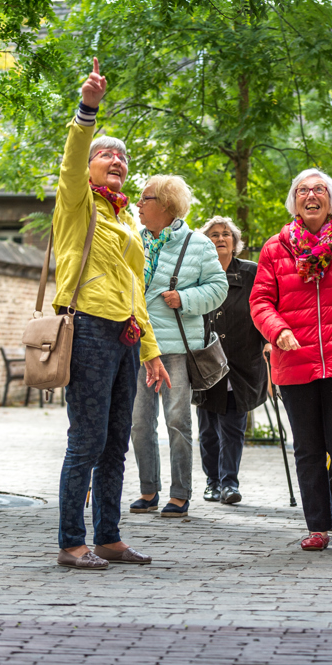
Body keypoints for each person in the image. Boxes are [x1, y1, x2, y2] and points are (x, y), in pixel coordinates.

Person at [54, 58, 171, 570]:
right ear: (89, 167)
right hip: (88, 329)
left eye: (121, 158)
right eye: (105, 155)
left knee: (116, 441)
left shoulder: (125, 218)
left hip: (124, 334)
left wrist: (151, 351)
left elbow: (135, 290)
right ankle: (70, 543)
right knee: (87, 438)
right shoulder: (76, 202)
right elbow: (72, 155)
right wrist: (88, 111)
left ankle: (108, 537)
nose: (114, 160)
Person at [250, 169, 332, 552]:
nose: (311, 195)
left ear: (331, 201)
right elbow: (260, 301)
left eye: (320, 190)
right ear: (294, 201)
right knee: (307, 447)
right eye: (303, 190)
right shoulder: (275, 248)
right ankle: (317, 526)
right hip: (294, 362)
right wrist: (277, 331)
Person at [129, 177, 228, 518]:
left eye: (145, 198)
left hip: (176, 349)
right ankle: (148, 490)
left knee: (177, 420)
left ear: (166, 205)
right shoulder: (131, 241)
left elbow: (219, 288)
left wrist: (185, 298)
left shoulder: (198, 244)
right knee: (139, 422)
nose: (138, 204)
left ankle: (180, 494)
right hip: (139, 347)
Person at [196, 215, 269, 505]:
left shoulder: (251, 273)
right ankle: (212, 482)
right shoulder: (197, 274)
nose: (221, 238)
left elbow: (266, 306)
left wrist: (267, 340)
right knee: (208, 429)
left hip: (241, 364)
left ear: (235, 242)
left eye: (226, 234)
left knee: (233, 428)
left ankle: (229, 483)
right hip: (204, 362)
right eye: (214, 234)